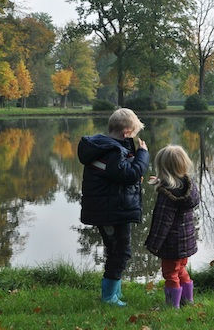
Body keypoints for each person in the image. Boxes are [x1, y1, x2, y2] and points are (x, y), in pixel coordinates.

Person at [77, 108, 149, 307]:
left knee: (115, 250)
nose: (135, 139)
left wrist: (132, 161)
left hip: (109, 209)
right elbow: (128, 174)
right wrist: (142, 155)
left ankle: (113, 293)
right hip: (112, 212)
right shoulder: (113, 152)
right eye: (134, 134)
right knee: (121, 252)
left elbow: (119, 175)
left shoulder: (105, 148)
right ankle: (109, 297)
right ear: (126, 133)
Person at [145, 145, 200, 308]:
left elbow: (163, 222)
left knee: (170, 273)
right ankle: (187, 301)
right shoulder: (189, 186)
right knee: (181, 269)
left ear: (163, 168)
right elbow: (176, 184)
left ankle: (172, 306)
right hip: (186, 241)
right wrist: (161, 181)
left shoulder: (167, 195)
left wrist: (154, 244)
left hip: (172, 244)